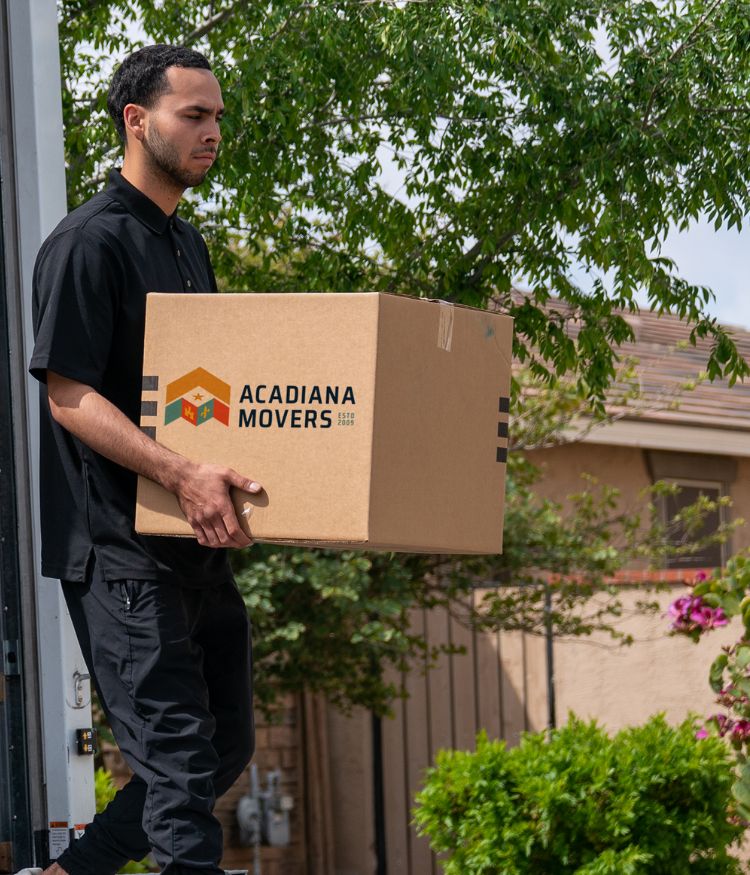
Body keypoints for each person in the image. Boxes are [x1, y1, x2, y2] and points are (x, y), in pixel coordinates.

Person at [27, 44, 258, 875]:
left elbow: (212, 393)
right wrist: (181, 473)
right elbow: (69, 395)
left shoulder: (187, 244)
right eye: (194, 115)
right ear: (138, 120)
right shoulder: (88, 244)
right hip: (117, 549)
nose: (212, 133)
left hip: (192, 541)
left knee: (223, 744)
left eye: (218, 117)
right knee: (178, 764)